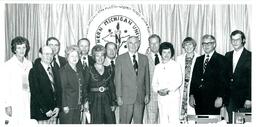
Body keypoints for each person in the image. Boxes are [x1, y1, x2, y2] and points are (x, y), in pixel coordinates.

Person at [189, 34, 229, 115]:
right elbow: (194, 79)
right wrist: (191, 95)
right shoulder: (198, 59)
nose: (206, 45)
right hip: (198, 99)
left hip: (214, 99)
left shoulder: (222, 59)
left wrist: (220, 97)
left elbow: (224, 81)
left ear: (214, 44)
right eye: (204, 43)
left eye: (209, 43)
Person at [115, 36, 150, 124]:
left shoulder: (144, 58)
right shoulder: (120, 58)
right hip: (125, 98)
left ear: (138, 44)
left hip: (140, 97)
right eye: (130, 43)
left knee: (138, 122)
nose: (133, 45)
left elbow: (147, 78)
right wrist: (119, 96)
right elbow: (117, 79)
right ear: (127, 44)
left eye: (135, 43)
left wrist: (147, 94)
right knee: (124, 122)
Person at [2, 36, 33, 124]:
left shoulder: (29, 64)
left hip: (27, 99)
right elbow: (4, 87)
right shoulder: (7, 65)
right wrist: (7, 105)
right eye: (19, 48)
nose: (22, 50)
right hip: (14, 100)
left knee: (26, 122)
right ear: (14, 49)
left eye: (24, 47)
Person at [29, 46, 62, 124]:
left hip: (54, 112)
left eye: (51, 54)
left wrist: (58, 106)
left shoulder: (55, 70)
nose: (49, 56)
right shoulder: (34, 71)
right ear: (40, 55)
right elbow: (35, 93)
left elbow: (59, 90)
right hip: (42, 113)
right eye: (46, 54)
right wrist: (45, 110)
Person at [152, 42, 182, 124]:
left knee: (174, 120)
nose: (166, 54)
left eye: (169, 52)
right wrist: (159, 91)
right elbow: (154, 83)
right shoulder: (157, 67)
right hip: (161, 98)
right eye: (164, 52)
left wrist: (168, 90)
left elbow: (179, 81)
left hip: (173, 97)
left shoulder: (176, 65)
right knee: (163, 120)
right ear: (161, 53)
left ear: (172, 53)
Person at [225, 30, 251, 123]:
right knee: (232, 121)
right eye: (233, 40)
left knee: (244, 123)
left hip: (244, 99)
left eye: (238, 39)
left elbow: (252, 80)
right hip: (230, 98)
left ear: (243, 40)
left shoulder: (251, 56)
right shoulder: (227, 55)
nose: (235, 42)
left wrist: (250, 98)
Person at [87, 45, 116, 124]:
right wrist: (86, 102)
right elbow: (85, 87)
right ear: (94, 57)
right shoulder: (89, 69)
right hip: (94, 100)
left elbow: (111, 86)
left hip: (107, 99)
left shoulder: (109, 69)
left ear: (104, 56)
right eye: (97, 56)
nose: (100, 58)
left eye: (102, 55)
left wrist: (113, 102)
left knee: (110, 122)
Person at [59, 45, 88, 124]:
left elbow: (82, 88)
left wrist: (82, 103)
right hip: (68, 107)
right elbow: (62, 90)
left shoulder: (79, 71)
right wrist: (64, 105)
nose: (74, 58)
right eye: (72, 56)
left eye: (76, 56)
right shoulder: (63, 71)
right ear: (67, 57)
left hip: (77, 106)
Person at [176, 37, 198, 122]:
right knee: (180, 116)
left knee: (192, 116)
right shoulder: (179, 58)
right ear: (183, 46)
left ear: (194, 46)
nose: (188, 47)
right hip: (181, 89)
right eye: (186, 45)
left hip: (193, 90)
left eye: (190, 44)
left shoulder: (199, 58)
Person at [143, 34, 161, 124]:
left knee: (165, 121)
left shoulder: (166, 56)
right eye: (151, 43)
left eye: (156, 43)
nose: (154, 45)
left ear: (160, 43)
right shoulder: (144, 58)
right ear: (149, 44)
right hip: (151, 95)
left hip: (165, 95)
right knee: (151, 121)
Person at [103, 42, 118, 123]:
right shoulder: (100, 64)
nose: (112, 51)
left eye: (114, 49)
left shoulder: (121, 62)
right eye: (109, 49)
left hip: (120, 100)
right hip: (106, 101)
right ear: (105, 50)